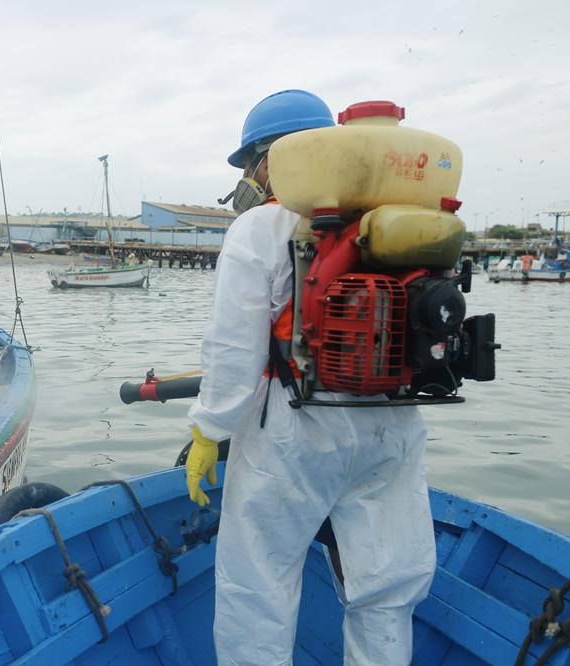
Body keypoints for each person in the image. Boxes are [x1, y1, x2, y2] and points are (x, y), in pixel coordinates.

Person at [185, 89, 436, 665]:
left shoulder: (262, 228)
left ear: (272, 158)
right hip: (391, 429)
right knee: (385, 591)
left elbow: (233, 350)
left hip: (295, 435)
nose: (248, 176)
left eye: (250, 162)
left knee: (259, 585)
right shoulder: (397, 224)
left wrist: (208, 431)